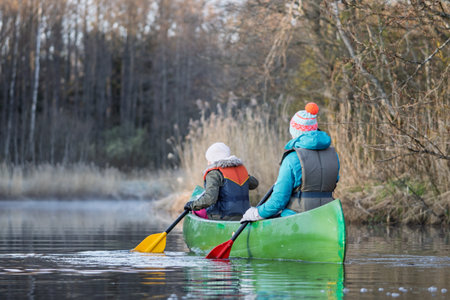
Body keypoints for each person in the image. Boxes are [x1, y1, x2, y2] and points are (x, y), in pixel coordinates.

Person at [240, 102, 339, 223]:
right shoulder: (333, 155)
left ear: (295, 132)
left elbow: (278, 202)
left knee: (272, 214)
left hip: (297, 218)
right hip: (327, 216)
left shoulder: (292, 158)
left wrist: (256, 213)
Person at [184, 142, 259, 221]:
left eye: (209, 160)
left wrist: (192, 205)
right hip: (244, 215)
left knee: (197, 211)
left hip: (222, 217)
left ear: (213, 160)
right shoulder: (240, 170)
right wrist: (242, 174)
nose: (208, 163)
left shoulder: (214, 173)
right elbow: (254, 184)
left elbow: (209, 199)